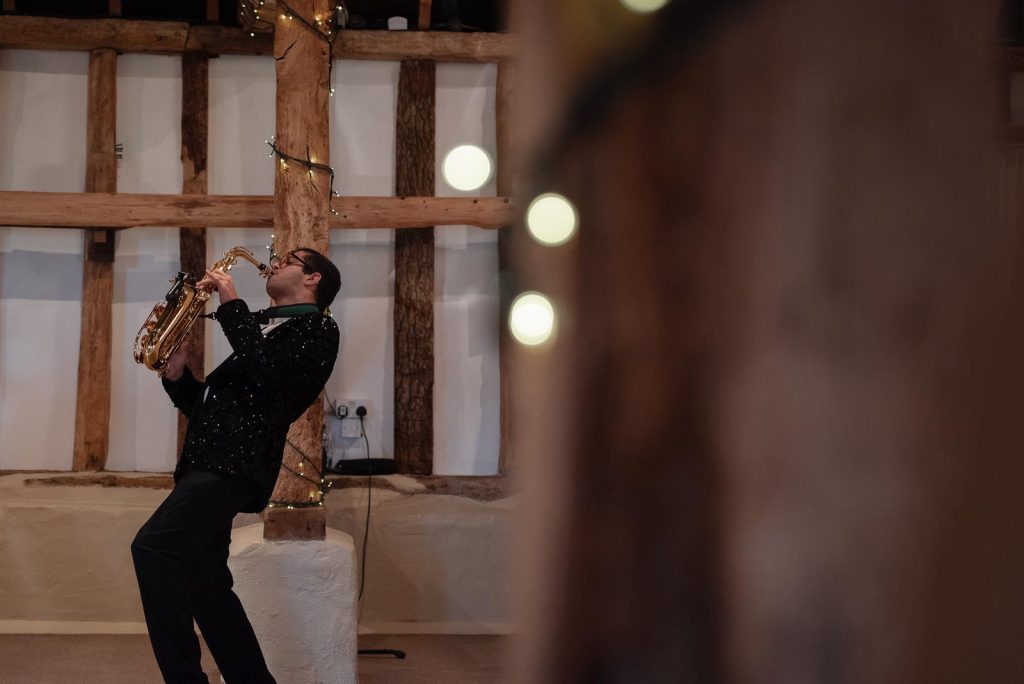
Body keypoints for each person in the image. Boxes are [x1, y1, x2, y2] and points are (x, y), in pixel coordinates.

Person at [131, 247, 341, 684]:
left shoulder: (318, 329)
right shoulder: (265, 330)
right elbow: (217, 412)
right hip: (213, 461)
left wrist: (231, 302)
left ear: (313, 279)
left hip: (232, 468)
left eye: (290, 260)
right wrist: (180, 380)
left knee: (152, 548)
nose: (276, 261)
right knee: (206, 585)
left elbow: (268, 381)